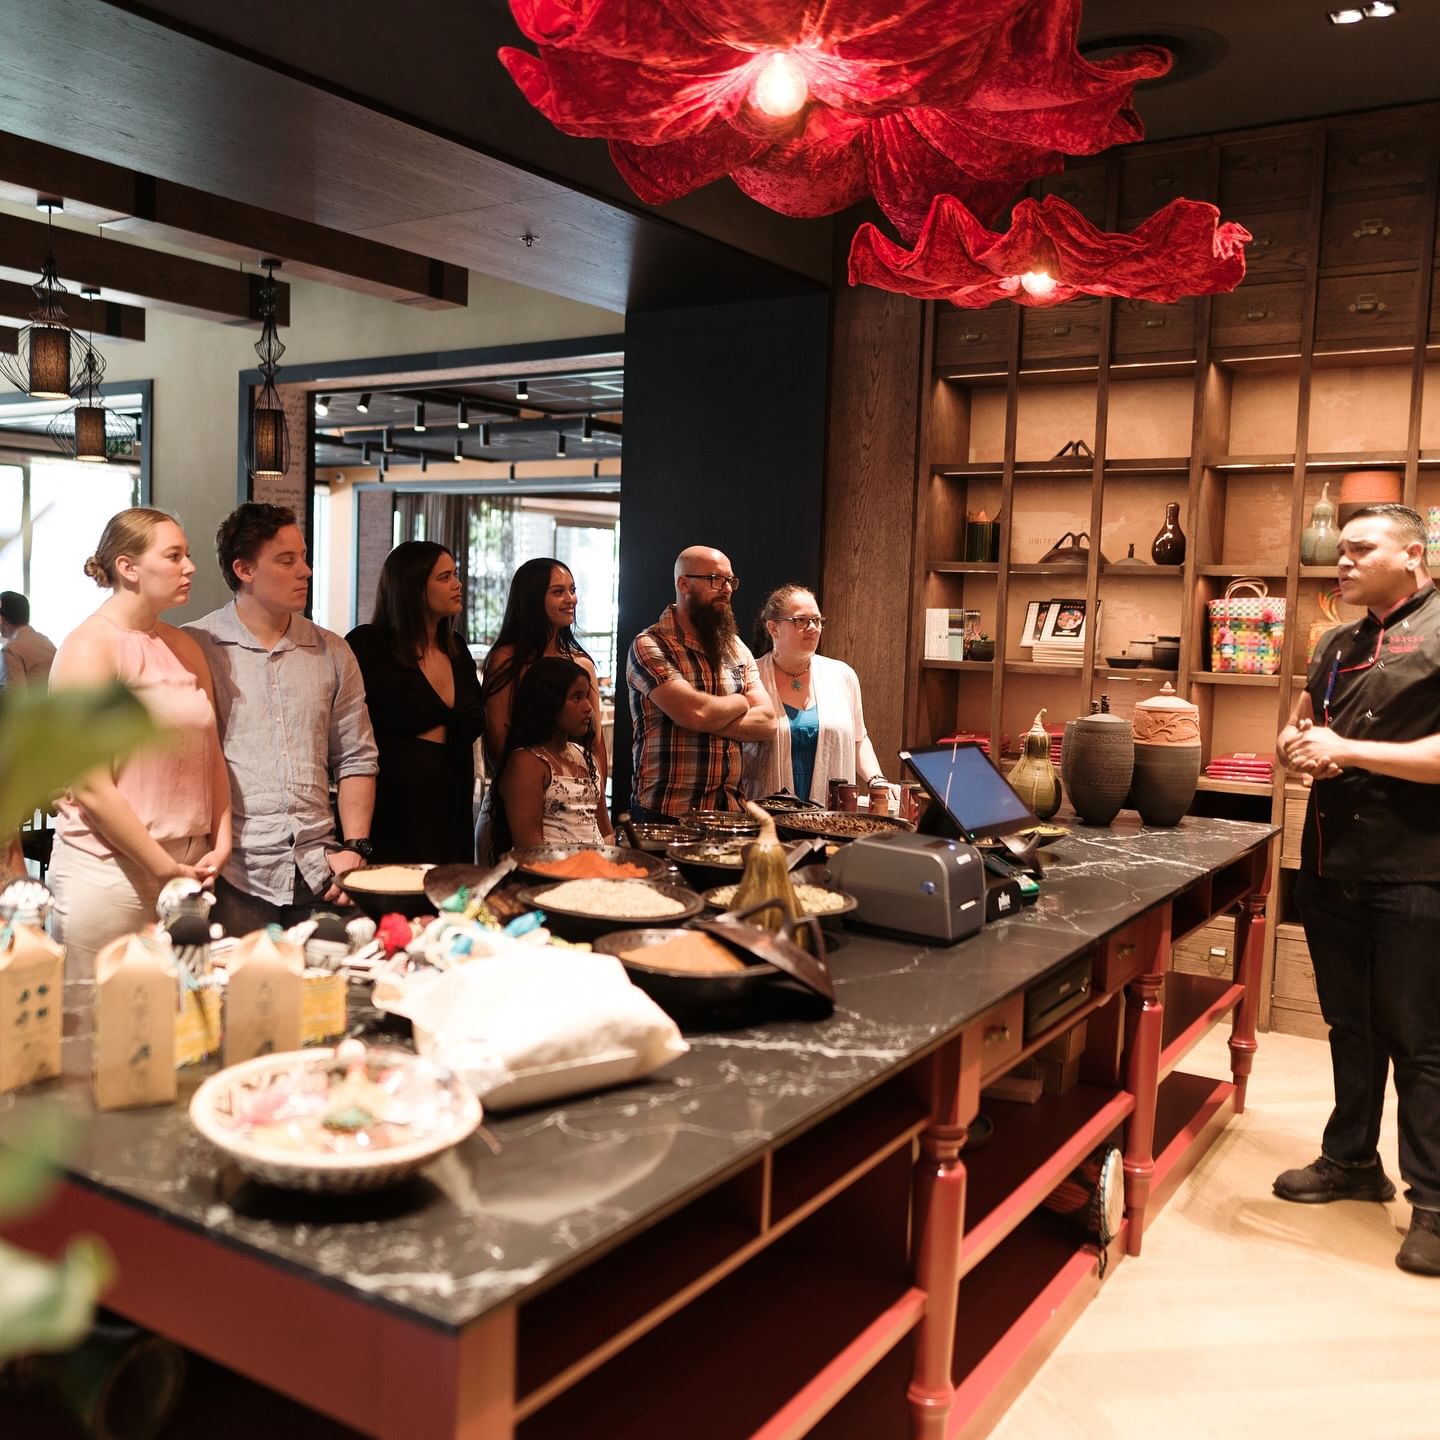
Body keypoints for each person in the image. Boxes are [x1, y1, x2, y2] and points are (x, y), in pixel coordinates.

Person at [1273, 502, 1440, 1277]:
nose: (1340, 563)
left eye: (1359, 550)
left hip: (1416, 867)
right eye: (1338, 551)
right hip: (1330, 860)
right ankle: (1351, 1162)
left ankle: (1434, 1203)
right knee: (1350, 1024)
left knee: (1422, 1041)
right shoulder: (1337, 641)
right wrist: (1299, 746)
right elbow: (1307, 723)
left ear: (1412, 555)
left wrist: (1352, 750)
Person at [47, 509, 231, 1027]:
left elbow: (211, 750)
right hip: (108, 873)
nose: (190, 566)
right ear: (127, 567)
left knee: (178, 1026)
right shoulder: (88, 647)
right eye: (174, 556)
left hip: (188, 869)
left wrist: (221, 840)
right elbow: (90, 783)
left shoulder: (184, 647)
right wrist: (159, 865)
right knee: (97, 1029)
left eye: (187, 554)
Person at [186, 503, 377, 935]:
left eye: (305, 557)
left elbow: (357, 757)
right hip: (235, 871)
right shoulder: (198, 646)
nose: (305, 571)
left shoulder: (332, 651)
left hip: (321, 867)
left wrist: (355, 846)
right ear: (244, 569)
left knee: (334, 993)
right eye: (287, 560)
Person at [346, 541, 485, 863]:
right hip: (396, 802)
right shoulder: (370, 645)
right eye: (444, 577)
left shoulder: (456, 649)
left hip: (454, 801)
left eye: (456, 575)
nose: (457, 584)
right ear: (412, 587)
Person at [627, 545, 775, 818]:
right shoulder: (650, 645)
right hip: (666, 814)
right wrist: (742, 701)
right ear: (684, 583)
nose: (727, 588)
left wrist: (707, 720)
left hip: (729, 812)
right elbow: (695, 713)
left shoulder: (735, 648)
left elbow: (767, 722)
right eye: (715, 579)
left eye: (730, 580)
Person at [479, 557, 610, 856]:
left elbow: (596, 742)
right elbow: (499, 738)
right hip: (523, 797)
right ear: (533, 598)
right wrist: (530, 785)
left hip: (580, 802)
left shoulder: (581, 662)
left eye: (573, 590)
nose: (570, 599)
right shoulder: (507, 659)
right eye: (558, 591)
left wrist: (602, 820)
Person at [742, 584, 892, 804]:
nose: (812, 628)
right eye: (800, 620)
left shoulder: (842, 675)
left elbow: (859, 739)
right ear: (773, 628)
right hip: (767, 814)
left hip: (829, 814)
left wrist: (876, 779)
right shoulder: (751, 677)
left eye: (817, 620)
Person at [492, 657, 605, 853]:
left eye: (587, 696)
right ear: (548, 701)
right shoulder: (527, 763)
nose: (588, 707)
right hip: (549, 875)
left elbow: (606, 831)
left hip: (596, 872)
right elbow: (530, 849)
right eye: (577, 697)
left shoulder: (585, 757)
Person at [0, 591, 56, 689]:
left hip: (34, 704)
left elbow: (15, 697)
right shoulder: (46, 642)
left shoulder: (11, 650)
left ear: (1, 619)